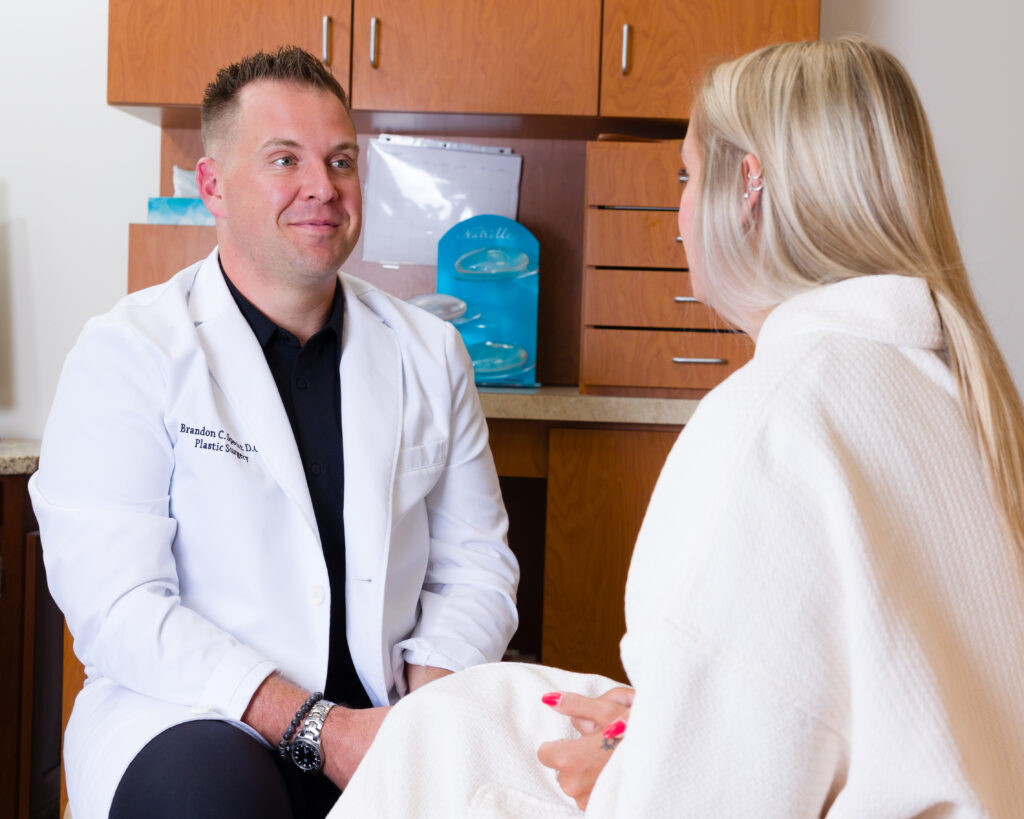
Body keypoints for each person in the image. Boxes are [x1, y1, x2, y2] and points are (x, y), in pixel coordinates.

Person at [327, 37, 1024, 817]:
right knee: (482, 706)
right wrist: (646, 730)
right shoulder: (949, 395)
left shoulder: (773, 416)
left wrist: (623, 768)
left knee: (433, 737)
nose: (679, 216)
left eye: (686, 177)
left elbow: (701, 799)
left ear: (748, 187)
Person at [30, 46, 519, 819]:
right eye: (285, 159)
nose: (322, 187)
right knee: (215, 800)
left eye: (341, 160)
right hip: (193, 714)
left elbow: (477, 565)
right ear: (213, 186)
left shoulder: (430, 352)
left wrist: (423, 709)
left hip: (383, 712)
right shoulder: (129, 351)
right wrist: (321, 729)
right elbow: (118, 605)